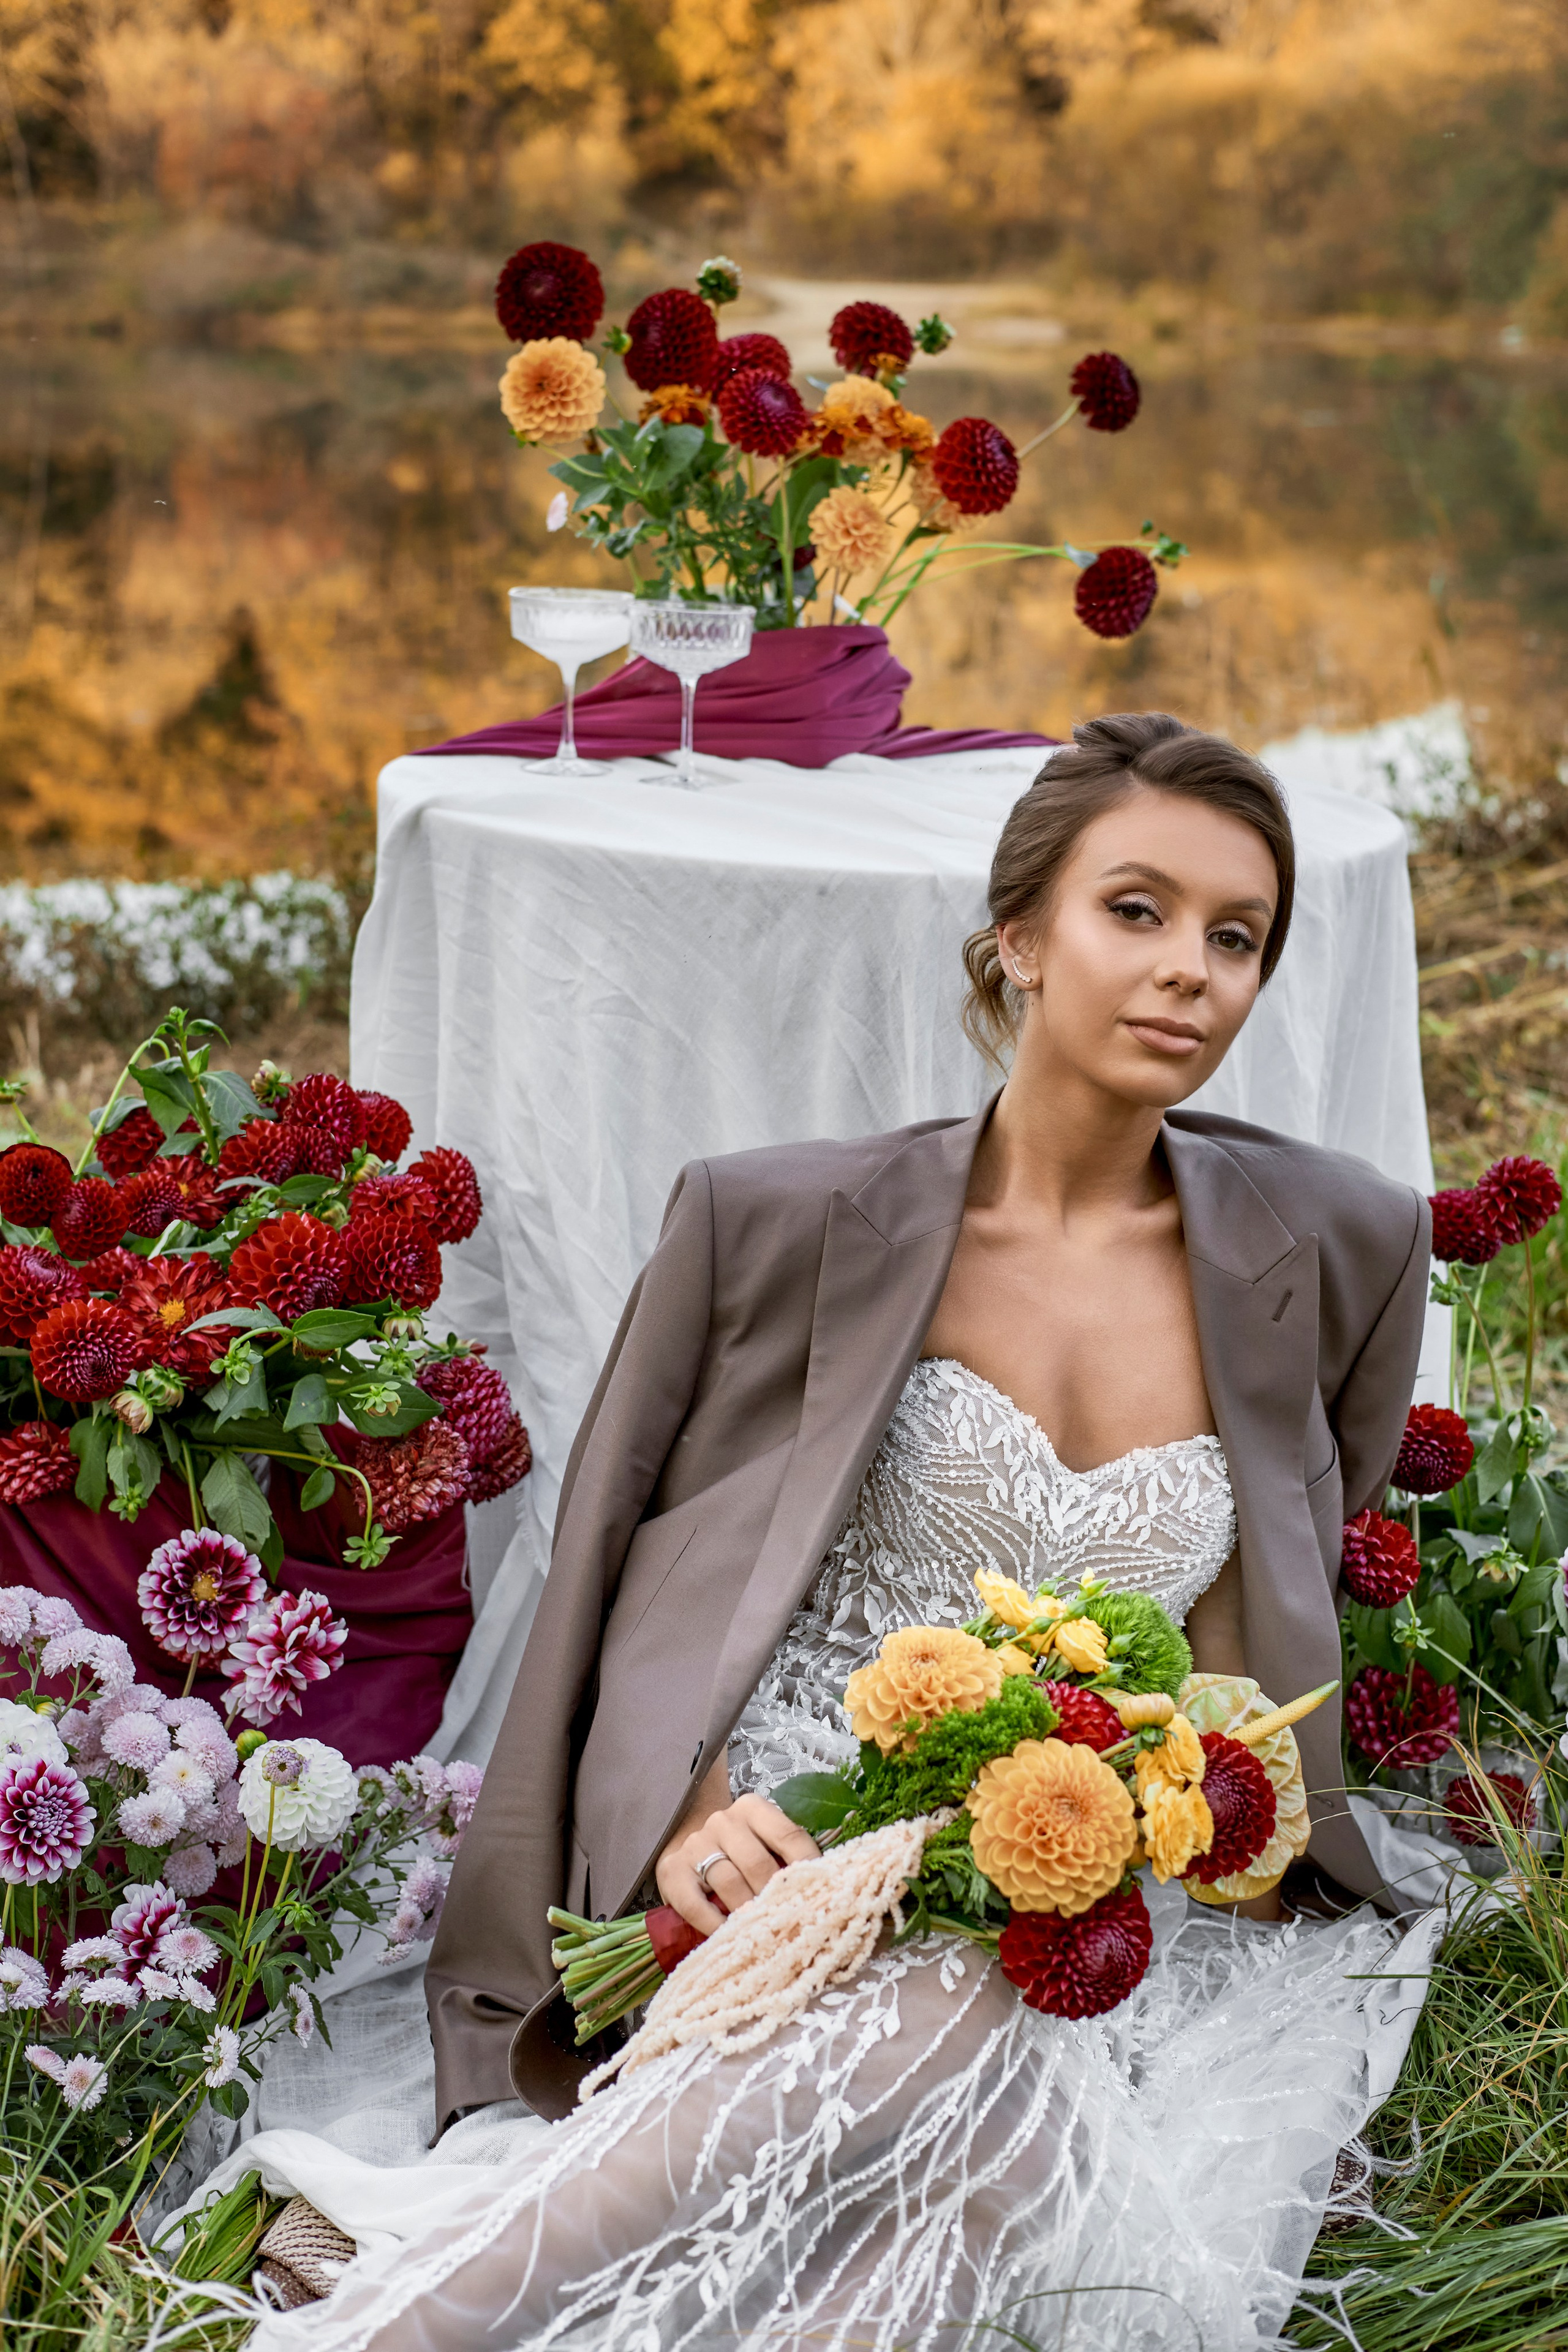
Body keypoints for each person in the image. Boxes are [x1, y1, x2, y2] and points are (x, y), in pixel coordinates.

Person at [247, 712, 1431, 2351]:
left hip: (1087, 1874)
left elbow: (1267, 1612)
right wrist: (692, 1805)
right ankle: (412, 2328)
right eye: (1137, 910)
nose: (1192, 971)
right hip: (785, 1832)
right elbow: (620, 1566)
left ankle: (418, 2315)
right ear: (1018, 938)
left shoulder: (1341, 1247)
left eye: (1238, 939)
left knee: (998, 2151)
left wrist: (1173, 1829)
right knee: (960, 2071)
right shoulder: (777, 1220)